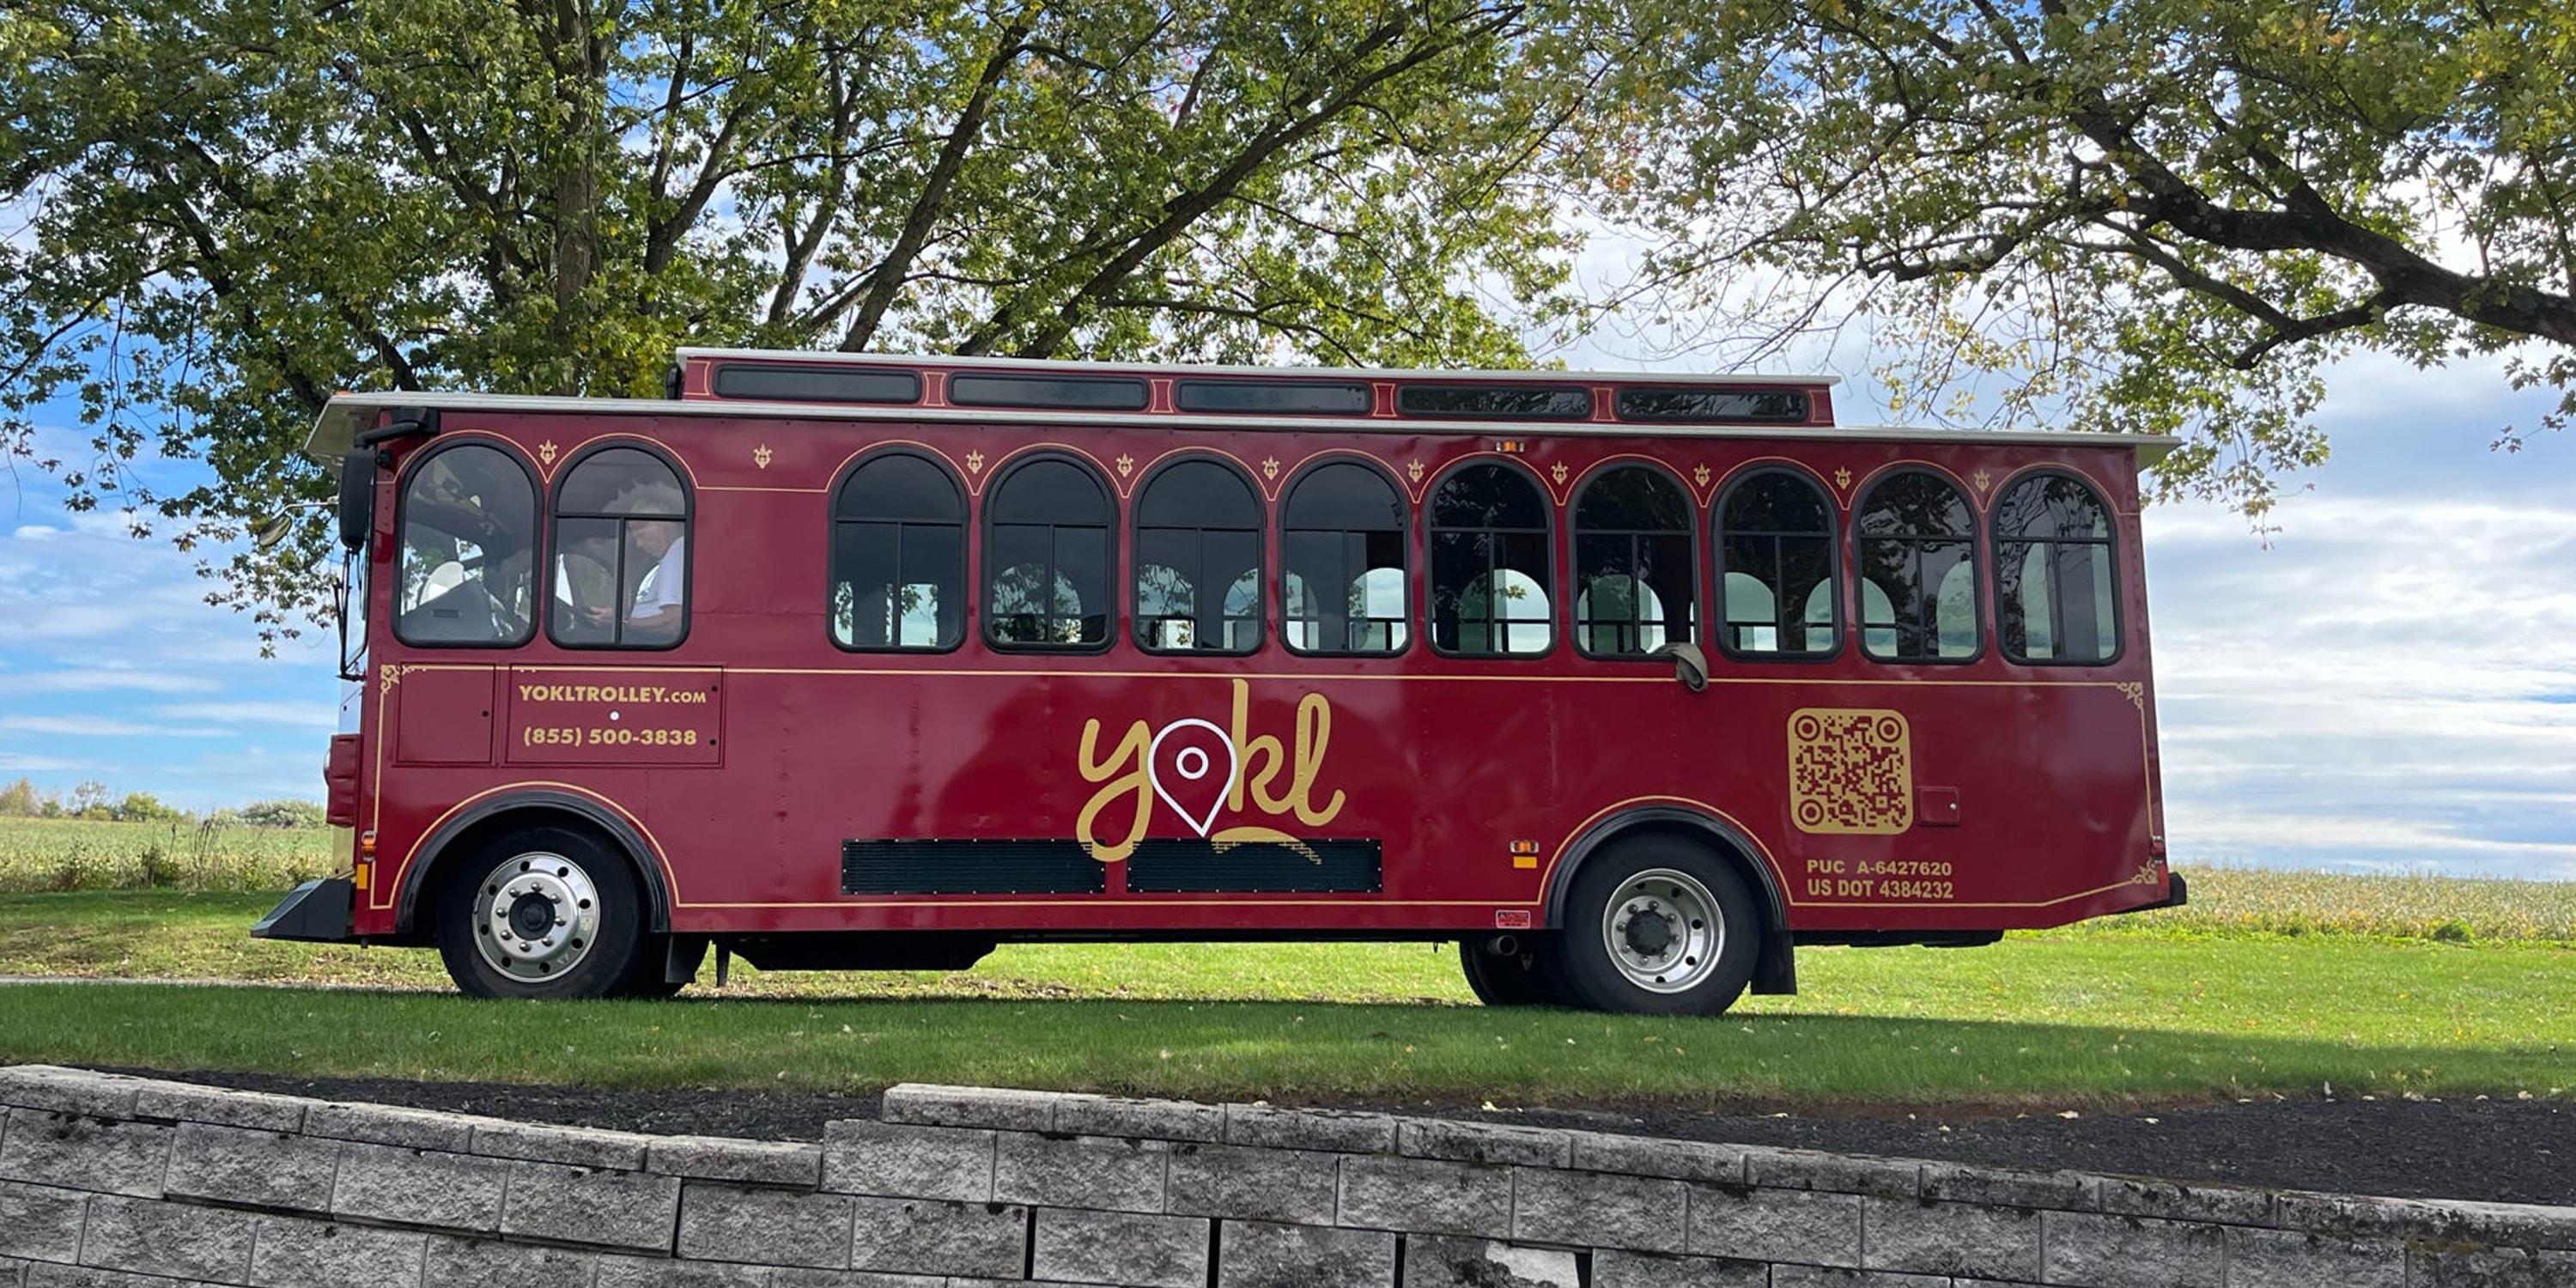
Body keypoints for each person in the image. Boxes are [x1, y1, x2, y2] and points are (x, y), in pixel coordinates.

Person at [586, 483, 687, 643]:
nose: (639, 544)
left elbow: (673, 623)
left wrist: (622, 623)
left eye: (640, 533)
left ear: (662, 524)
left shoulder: (677, 551)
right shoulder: (677, 553)